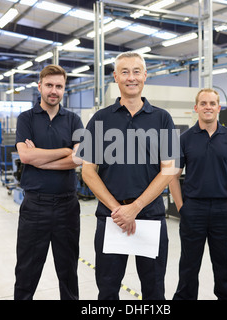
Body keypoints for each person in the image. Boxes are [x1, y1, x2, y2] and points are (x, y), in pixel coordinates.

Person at [77, 51, 177, 300]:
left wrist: (136, 207)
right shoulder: (100, 118)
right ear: (115, 77)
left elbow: (169, 169)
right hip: (111, 219)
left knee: (154, 291)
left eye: (136, 71)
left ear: (145, 75)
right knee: (108, 291)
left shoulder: (162, 118)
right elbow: (88, 171)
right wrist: (118, 210)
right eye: (124, 72)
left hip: (151, 218)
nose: (131, 77)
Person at [14, 64, 83, 300]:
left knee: (68, 272)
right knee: (26, 272)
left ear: (65, 89)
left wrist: (40, 160)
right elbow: (25, 156)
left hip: (67, 207)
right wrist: (65, 150)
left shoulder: (74, 120)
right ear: (40, 86)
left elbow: (79, 158)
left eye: (59, 86)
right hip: (35, 207)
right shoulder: (26, 119)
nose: (54, 90)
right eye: (49, 85)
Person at [169, 88, 227, 300]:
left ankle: (225, 297)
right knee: (188, 264)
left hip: (224, 209)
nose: (208, 107)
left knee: (223, 263)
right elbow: (172, 176)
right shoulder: (184, 139)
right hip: (193, 209)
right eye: (203, 103)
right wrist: (181, 207)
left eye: (212, 103)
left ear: (219, 108)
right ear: (196, 108)